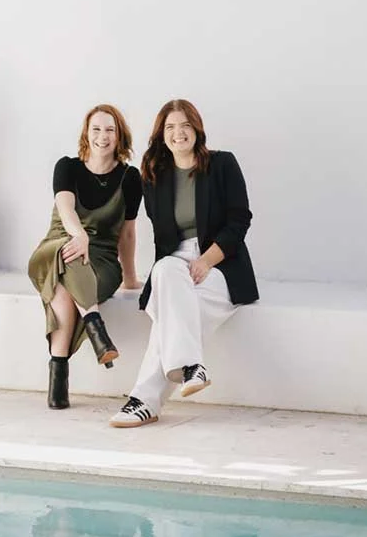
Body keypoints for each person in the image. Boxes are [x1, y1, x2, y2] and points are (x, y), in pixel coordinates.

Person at [110, 99, 258, 428]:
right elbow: (162, 242)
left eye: (185, 125)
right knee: (164, 270)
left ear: (197, 129)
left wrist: (206, 260)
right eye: (171, 127)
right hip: (174, 265)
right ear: (162, 135)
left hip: (221, 264)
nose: (179, 133)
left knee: (170, 322)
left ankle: (143, 401)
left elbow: (239, 221)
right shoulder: (154, 176)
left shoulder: (222, 164)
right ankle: (191, 366)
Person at [28, 104, 142, 410]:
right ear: (86, 133)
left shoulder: (130, 178)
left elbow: (128, 233)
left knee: (64, 291)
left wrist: (129, 277)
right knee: (71, 255)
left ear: (120, 137)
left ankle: (58, 382)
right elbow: (65, 208)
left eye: (109, 130)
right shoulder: (67, 167)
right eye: (96, 129)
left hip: (102, 260)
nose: (102, 136)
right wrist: (79, 236)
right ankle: (94, 325)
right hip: (57, 246)